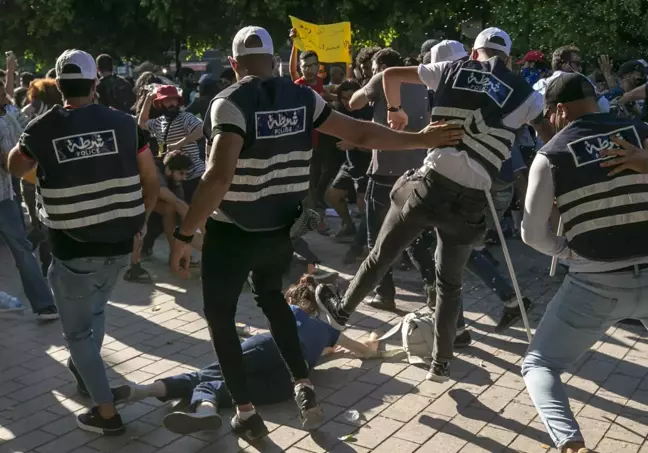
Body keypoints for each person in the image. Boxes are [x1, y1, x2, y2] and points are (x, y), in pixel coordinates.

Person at [170, 25, 462, 441]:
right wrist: (420, 137)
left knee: (220, 317)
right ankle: (303, 385)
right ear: (272, 61)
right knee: (272, 299)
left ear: (234, 65)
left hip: (233, 230)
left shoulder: (227, 103)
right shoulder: (303, 96)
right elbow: (360, 133)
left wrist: (183, 235)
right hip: (280, 229)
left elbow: (217, 177)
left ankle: (246, 412)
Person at [315, 27, 550, 383]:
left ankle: (342, 312)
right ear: (510, 59)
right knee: (449, 284)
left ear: (473, 54)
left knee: (382, 254)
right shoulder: (527, 95)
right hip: (473, 200)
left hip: (431, 186)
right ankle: (441, 364)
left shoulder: (450, 70)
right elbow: (547, 133)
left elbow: (389, 75)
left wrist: (395, 112)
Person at [6, 49, 160, 435]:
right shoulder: (125, 126)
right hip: (120, 246)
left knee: (76, 333)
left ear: (58, 86)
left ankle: (106, 413)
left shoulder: (41, 129)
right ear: (95, 84)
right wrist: (140, 227)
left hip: (73, 251)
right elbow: (150, 179)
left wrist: (39, 165)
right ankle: (86, 371)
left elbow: (15, 165)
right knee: (96, 314)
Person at [520, 72, 648, 453]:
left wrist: (567, 251)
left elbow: (532, 234)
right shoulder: (640, 132)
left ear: (559, 111)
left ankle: (571, 445)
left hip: (595, 284)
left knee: (539, 366)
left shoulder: (551, 156)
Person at [118, 275, 377, 434]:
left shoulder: (288, 311)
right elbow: (365, 352)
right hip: (286, 383)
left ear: (292, 299)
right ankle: (205, 411)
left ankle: (145, 390)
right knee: (223, 388)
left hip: (269, 346)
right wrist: (371, 341)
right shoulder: (327, 330)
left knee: (207, 374)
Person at [346, 47, 437, 310]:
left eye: (373, 68)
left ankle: (385, 295)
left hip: (385, 171)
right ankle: (432, 289)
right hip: (416, 172)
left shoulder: (383, 77)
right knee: (414, 237)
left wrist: (369, 84)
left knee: (378, 239)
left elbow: (354, 103)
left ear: (384, 65)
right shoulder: (423, 83)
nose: (371, 73)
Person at [0, 81, 58, 319]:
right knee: (22, 248)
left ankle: (44, 304)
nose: (5, 94)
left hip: (5, 196)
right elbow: (10, 162)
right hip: (5, 194)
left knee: (23, 247)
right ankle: (44, 304)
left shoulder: (8, 117)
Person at [138, 84, 205, 202]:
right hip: (173, 177)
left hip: (193, 176)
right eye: (167, 100)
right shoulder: (159, 122)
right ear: (159, 103)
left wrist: (180, 143)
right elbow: (142, 123)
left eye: (174, 99)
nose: (172, 103)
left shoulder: (185, 117)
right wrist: (148, 100)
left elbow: (201, 130)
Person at [325, 80, 372, 242]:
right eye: (343, 98)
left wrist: (355, 145)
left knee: (362, 202)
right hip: (349, 164)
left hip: (368, 164)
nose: (348, 102)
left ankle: (366, 238)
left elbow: (378, 145)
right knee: (332, 195)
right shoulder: (339, 111)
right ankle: (348, 226)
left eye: (351, 97)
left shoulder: (370, 113)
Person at [534, 45, 609, 116]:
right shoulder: (580, 80)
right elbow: (605, 107)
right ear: (565, 66)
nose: (580, 68)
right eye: (577, 64)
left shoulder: (539, 84)